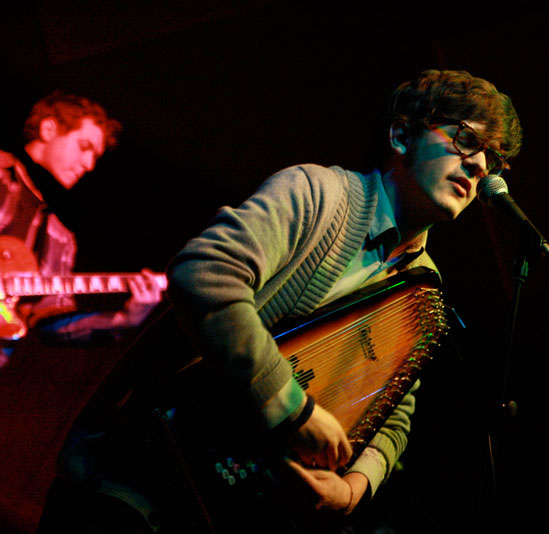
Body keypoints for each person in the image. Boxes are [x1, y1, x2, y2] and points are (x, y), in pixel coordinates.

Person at [35, 69, 523, 533]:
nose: (480, 165)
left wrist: (353, 489)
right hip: (132, 483)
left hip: (220, 516)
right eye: (465, 139)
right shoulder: (319, 193)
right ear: (401, 135)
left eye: (493, 159)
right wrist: (292, 410)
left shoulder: (424, 283)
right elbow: (205, 273)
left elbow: (395, 409)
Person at [0, 91, 163, 367]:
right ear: (49, 129)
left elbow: (52, 322)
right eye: (84, 146)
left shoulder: (59, 237)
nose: (88, 165)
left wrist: (125, 320)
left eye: (95, 156)